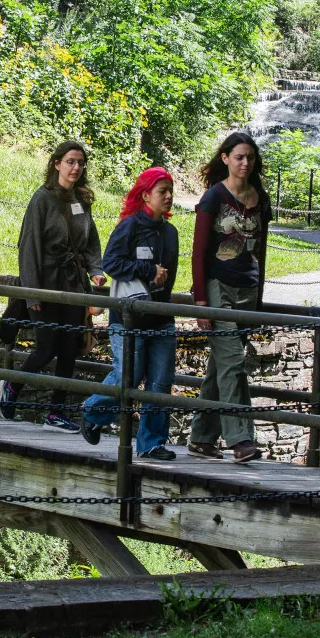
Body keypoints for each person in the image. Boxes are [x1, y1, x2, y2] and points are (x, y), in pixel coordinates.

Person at [0, 141, 105, 432]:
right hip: (45, 282)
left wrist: (96, 270)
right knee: (46, 348)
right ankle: (13, 388)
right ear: (57, 163)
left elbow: (90, 240)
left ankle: (55, 412)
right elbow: (28, 247)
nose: (76, 168)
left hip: (72, 284)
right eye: (70, 161)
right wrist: (32, 294)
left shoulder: (82, 200)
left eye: (80, 163)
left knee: (69, 348)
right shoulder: (42, 199)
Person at [79, 167, 180, 458]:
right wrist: (148, 270)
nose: (169, 197)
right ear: (146, 195)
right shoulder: (129, 226)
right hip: (128, 319)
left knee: (160, 383)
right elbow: (111, 262)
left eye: (170, 191)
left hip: (161, 317)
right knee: (129, 376)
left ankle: (152, 443)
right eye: (163, 191)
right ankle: (92, 413)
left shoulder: (170, 233)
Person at [188, 131, 271, 464]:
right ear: (225, 158)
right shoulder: (214, 197)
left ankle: (202, 437)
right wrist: (200, 301)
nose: (245, 163)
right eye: (238, 157)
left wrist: (260, 300)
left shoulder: (260, 197)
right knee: (233, 363)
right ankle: (241, 440)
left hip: (247, 292)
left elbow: (262, 251)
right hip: (217, 288)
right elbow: (198, 253)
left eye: (249, 157)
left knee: (220, 365)